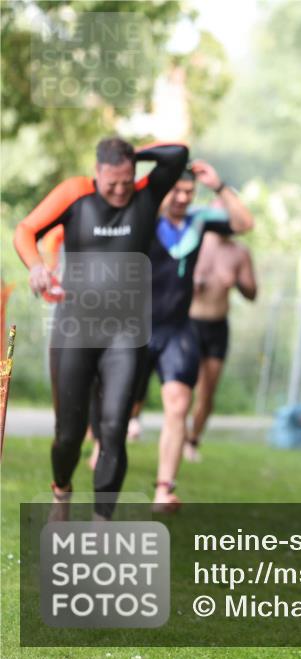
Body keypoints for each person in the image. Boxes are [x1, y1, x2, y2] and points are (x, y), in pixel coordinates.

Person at [12, 137, 188, 519]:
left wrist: (130, 157)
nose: (120, 190)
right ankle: (61, 491)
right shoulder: (75, 193)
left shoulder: (147, 192)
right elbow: (25, 230)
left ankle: (100, 524)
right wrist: (37, 267)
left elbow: (178, 153)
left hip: (126, 332)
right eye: (112, 182)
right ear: (96, 173)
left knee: (113, 429)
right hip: (75, 327)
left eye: (127, 180)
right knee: (69, 435)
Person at [124, 161, 254, 510]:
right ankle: (106, 449)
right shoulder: (144, 220)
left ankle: (164, 488)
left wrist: (219, 186)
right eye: (176, 191)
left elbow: (245, 224)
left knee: (179, 405)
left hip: (178, 330)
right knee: (121, 404)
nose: (182, 198)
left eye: (188, 192)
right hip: (137, 327)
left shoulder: (199, 221)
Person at [185, 224, 257, 462]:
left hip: (217, 327)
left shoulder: (239, 252)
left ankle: (193, 440)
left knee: (207, 393)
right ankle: (176, 434)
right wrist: (190, 283)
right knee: (183, 388)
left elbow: (253, 292)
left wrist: (235, 282)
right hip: (190, 323)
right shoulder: (193, 242)